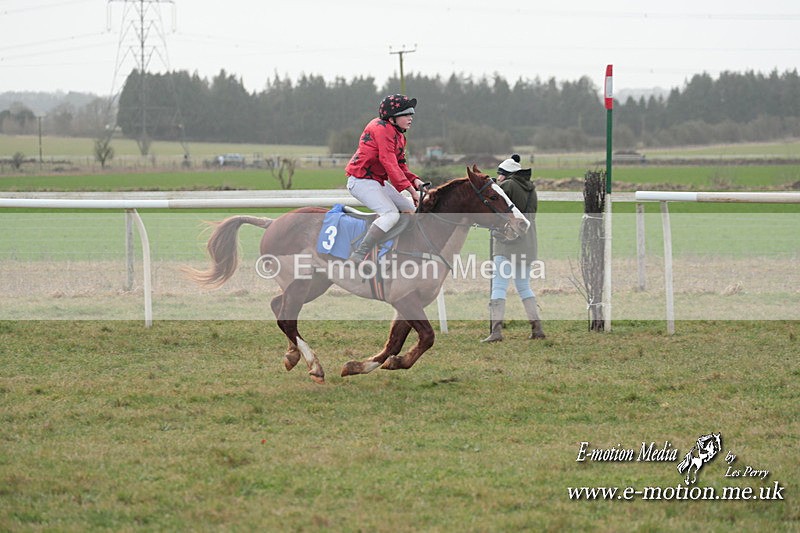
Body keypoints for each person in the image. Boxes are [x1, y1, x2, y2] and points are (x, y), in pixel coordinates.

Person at [345, 94, 425, 262]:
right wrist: (411, 190)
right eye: (405, 114)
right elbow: (389, 163)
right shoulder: (381, 129)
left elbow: (401, 165)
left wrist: (416, 181)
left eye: (411, 114)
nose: (410, 117)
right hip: (360, 181)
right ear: (391, 118)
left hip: (376, 181)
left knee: (411, 209)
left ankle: (395, 250)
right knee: (391, 215)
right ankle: (360, 253)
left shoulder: (400, 135)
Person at [481, 154, 546, 342]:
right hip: (528, 244)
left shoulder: (507, 186)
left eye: (500, 174)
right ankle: (537, 329)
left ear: (506, 174)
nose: (498, 177)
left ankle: (496, 332)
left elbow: (492, 199)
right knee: (524, 286)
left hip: (507, 243)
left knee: (499, 287)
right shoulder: (531, 189)